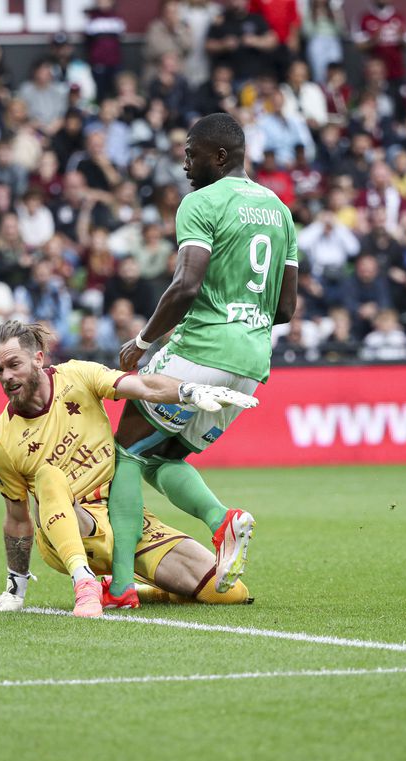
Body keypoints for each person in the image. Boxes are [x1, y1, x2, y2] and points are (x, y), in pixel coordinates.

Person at [108, 112, 299, 607]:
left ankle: (123, 586)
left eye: (192, 154)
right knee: (160, 457)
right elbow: (285, 308)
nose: (185, 163)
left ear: (220, 155)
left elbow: (186, 285)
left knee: (125, 451)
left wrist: (144, 342)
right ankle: (222, 521)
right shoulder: (279, 210)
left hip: (201, 349)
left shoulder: (201, 203)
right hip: (253, 362)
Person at [0, 320, 257, 617]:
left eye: (13, 364)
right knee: (49, 476)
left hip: (123, 518)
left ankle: (126, 588)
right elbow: (17, 519)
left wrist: (187, 390)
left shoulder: (77, 376)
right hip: (70, 527)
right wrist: (15, 589)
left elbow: (141, 385)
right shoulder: (2, 440)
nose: (6, 376)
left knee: (227, 592)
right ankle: (84, 582)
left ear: (38, 358)